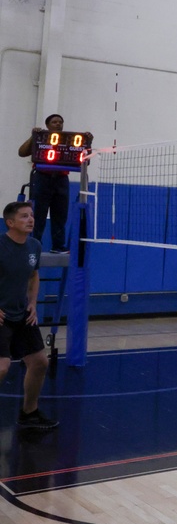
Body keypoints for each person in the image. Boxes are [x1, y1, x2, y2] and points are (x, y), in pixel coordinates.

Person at [0, 202, 59, 430]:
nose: (31, 219)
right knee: (3, 366)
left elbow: (33, 277)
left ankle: (29, 413)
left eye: (32, 215)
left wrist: (33, 303)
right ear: (10, 222)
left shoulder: (34, 246)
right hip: (2, 315)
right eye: (24, 216)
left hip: (21, 313)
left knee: (39, 362)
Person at [17, 114, 77, 253]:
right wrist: (34, 136)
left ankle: (58, 246)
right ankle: (35, 245)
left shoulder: (70, 140)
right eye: (54, 122)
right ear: (48, 125)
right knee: (38, 214)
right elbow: (21, 152)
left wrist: (88, 139)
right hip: (42, 178)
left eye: (60, 122)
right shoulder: (41, 138)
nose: (58, 124)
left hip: (61, 180)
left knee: (60, 215)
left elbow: (83, 151)